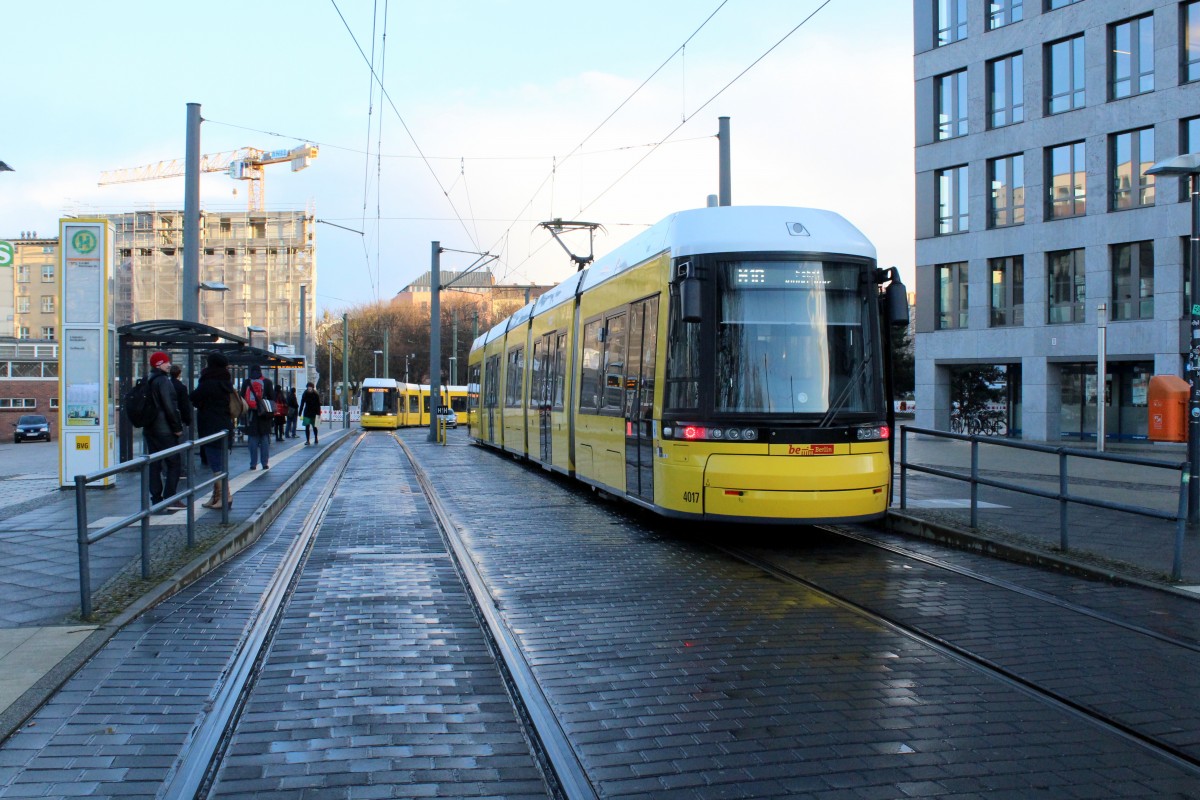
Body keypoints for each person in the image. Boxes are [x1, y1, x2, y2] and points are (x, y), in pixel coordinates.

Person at [189, 351, 236, 509]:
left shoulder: (208, 382)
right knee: (220, 461)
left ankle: (225, 497)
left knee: (216, 463)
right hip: (224, 425)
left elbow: (194, 397)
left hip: (210, 426)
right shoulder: (226, 381)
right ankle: (216, 496)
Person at [144, 351, 185, 511]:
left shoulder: (149, 380)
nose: (169, 364)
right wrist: (177, 428)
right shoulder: (163, 381)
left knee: (155, 464)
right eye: (166, 362)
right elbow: (169, 406)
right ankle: (170, 498)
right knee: (174, 462)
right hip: (164, 430)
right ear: (158, 364)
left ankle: (156, 499)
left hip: (150, 429)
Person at [242, 366, 275, 470]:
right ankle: (264, 463)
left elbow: (242, 397)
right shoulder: (267, 382)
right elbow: (272, 398)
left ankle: (253, 464)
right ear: (260, 372)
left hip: (251, 414)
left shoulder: (247, 382)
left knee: (252, 440)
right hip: (264, 415)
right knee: (265, 439)